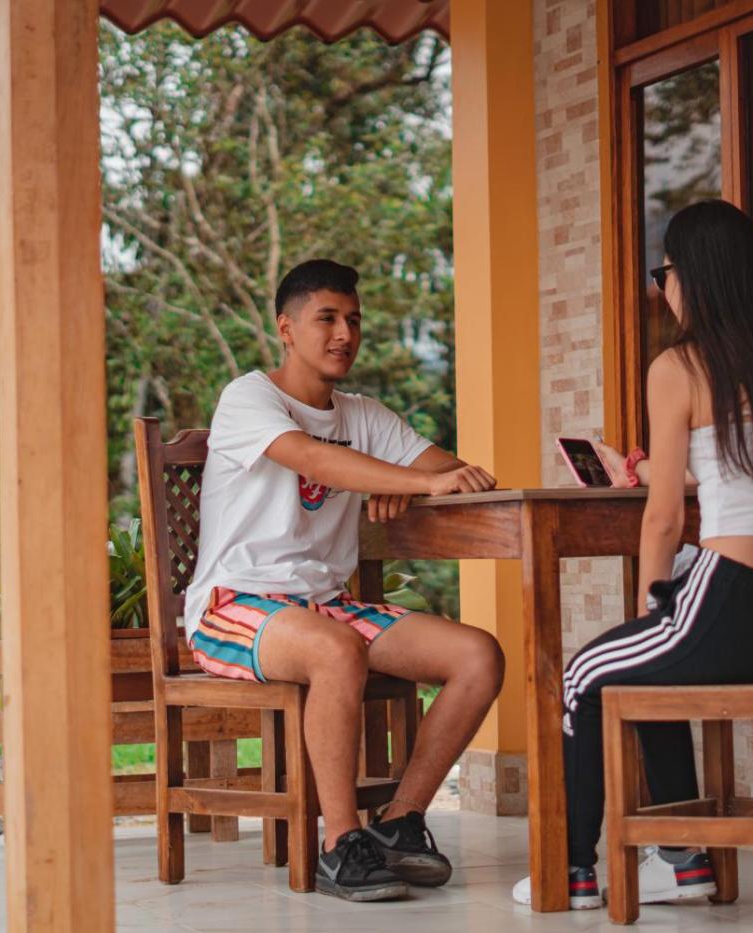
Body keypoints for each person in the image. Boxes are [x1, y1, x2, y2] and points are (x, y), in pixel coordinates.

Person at [513, 200, 753, 909]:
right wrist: (668, 471)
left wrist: (649, 606)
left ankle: (571, 873)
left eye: (664, 274)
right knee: (638, 665)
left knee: (586, 673)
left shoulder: (680, 366)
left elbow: (662, 520)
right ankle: (684, 862)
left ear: (692, 276)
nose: (663, 289)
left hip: (732, 603)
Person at [184, 259, 506, 903]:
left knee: (478, 655)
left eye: (353, 321)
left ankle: (400, 822)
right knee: (336, 650)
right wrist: (409, 481)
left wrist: (414, 481)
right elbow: (312, 457)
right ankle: (340, 844)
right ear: (286, 329)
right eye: (326, 319)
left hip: (325, 606)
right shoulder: (249, 397)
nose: (344, 334)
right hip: (235, 603)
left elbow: (456, 471)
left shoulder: (364, 415)